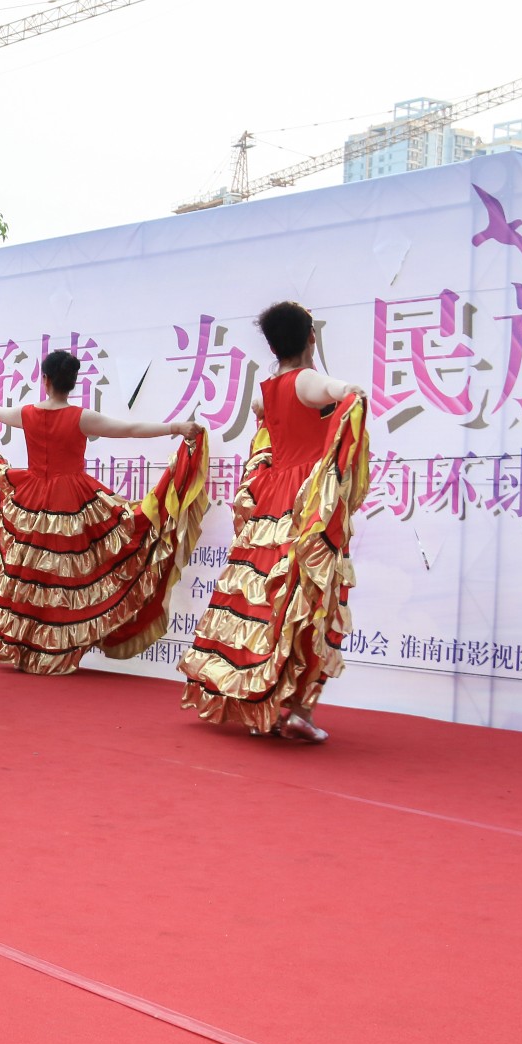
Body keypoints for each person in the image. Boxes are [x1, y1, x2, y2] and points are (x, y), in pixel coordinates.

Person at [0, 348, 208, 675]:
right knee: (65, 579)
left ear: (44, 380)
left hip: (30, 499)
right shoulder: (81, 417)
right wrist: (176, 428)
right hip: (72, 502)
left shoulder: (28, 413)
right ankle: (56, 651)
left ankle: (25, 648)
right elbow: (129, 430)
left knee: (30, 577)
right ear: (71, 383)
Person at [180, 302, 369, 744]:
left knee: (262, 603)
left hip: (271, 503)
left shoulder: (265, 392)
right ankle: (299, 709)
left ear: (271, 345)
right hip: (305, 504)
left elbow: (270, 430)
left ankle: (259, 704)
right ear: (311, 337)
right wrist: (350, 394)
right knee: (307, 601)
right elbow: (342, 392)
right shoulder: (306, 380)